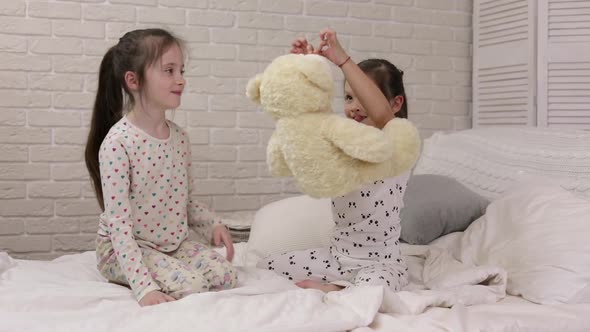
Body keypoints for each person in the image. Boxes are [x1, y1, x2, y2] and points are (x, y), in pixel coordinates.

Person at [84, 28, 237, 307]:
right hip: (122, 250)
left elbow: (186, 201)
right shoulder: (118, 144)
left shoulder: (179, 138)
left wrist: (212, 224)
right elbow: (119, 226)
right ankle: (142, 274)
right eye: (169, 70)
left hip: (171, 246)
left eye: (181, 70)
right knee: (193, 286)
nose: (180, 80)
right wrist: (145, 289)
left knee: (225, 275)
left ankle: (169, 266)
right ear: (133, 80)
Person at [259, 28, 415, 293]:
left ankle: (336, 290)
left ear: (396, 103)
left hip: (379, 263)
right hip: (337, 258)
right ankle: (337, 283)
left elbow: (381, 115)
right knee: (267, 266)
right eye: (349, 97)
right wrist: (311, 69)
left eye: (363, 97)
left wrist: (343, 61)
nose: (354, 106)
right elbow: (314, 122)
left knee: (375, 289)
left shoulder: (398, 144)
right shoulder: (345, 140)